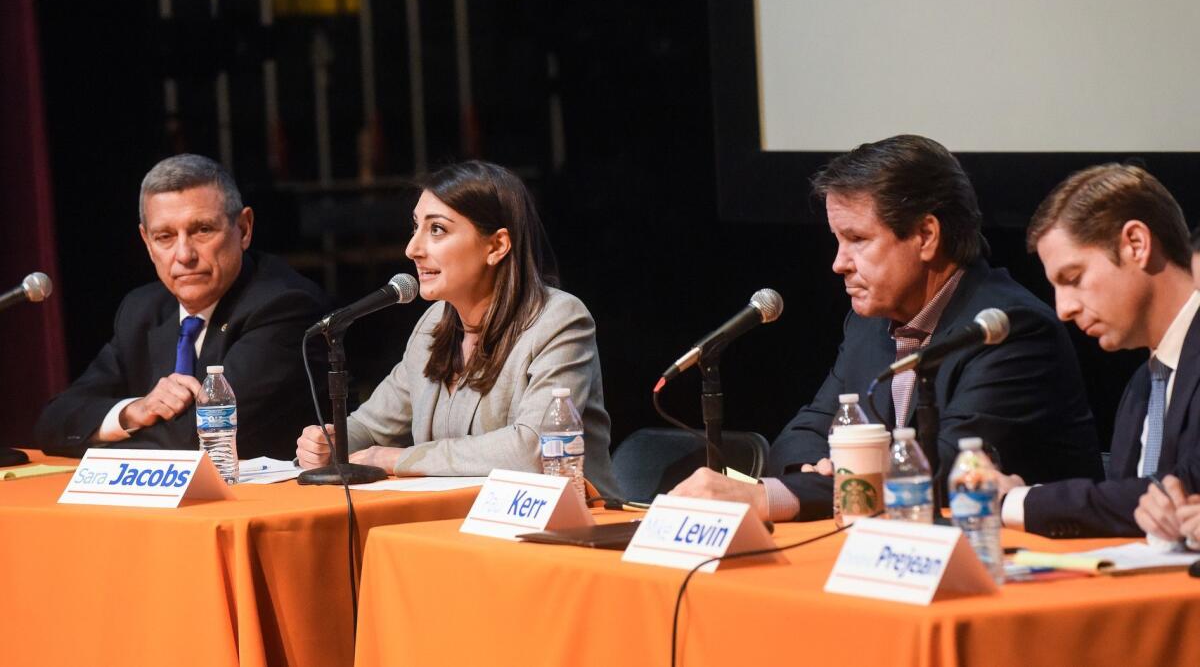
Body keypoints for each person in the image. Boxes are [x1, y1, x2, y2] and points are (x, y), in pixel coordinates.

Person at [670, 134, 1102, 521]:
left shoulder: (1008, 330)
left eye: (857, 240)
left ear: (926, 236)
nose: (838, 263)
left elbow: (942, 468)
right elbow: (802, 435)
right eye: (838, 241)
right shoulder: (868, 326)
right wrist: (813, 471)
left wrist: (782, 495)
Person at [295, 161, 620, 498]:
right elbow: (372, 426)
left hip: (568, 528)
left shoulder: (559, 320)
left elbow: (533, 449)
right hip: (464, 522)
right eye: (416, 226)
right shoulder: (434, 324)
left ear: (496, 246)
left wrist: (400, 459)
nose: (413, 249)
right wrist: (330, 442)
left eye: (437, 230)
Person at [34, 153, 330, 459]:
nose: (184, 254)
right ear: (146, 242)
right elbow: (54, 422)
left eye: (202, 230)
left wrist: (98, 442)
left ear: (243, 229)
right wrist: (133, 412)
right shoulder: (142, 310)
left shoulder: (286, 306)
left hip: (264, 502)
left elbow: (196, 438)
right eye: (165, 236)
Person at [1005, 163, 1200, 538]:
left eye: (1073, 279)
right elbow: (1128, 513)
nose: (1063, 308)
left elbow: (1186, 488)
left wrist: (1016, 501)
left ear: (1136, 244)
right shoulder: (1143, 384)